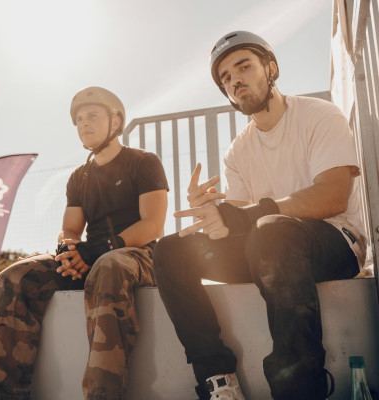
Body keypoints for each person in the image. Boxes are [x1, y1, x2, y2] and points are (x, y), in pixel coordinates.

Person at [153, 31, 366, 400]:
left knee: (270, 229)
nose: (235, 80)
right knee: (172, 249)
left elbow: (333, 196)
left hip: (336, 242)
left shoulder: (318, 114)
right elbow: (240, 221)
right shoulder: (238, 151)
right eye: (225, 78)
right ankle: (219, 382)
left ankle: (299, 388)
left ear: (271, 68)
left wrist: (253, 214)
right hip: (269, 251)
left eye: (244, 66)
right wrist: (214, 215)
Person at [0, 86, 169, 400]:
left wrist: (98, 250)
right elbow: (69, 228)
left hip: (138, 256)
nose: (83, 123)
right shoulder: (79, 176)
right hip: (92, 258)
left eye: (92, 115)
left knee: (108, 265)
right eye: (78, 119)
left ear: (116, 121)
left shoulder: (143, 161)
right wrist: (69, 250)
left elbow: (153, 224)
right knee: (15, 275)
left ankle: (103, 395)